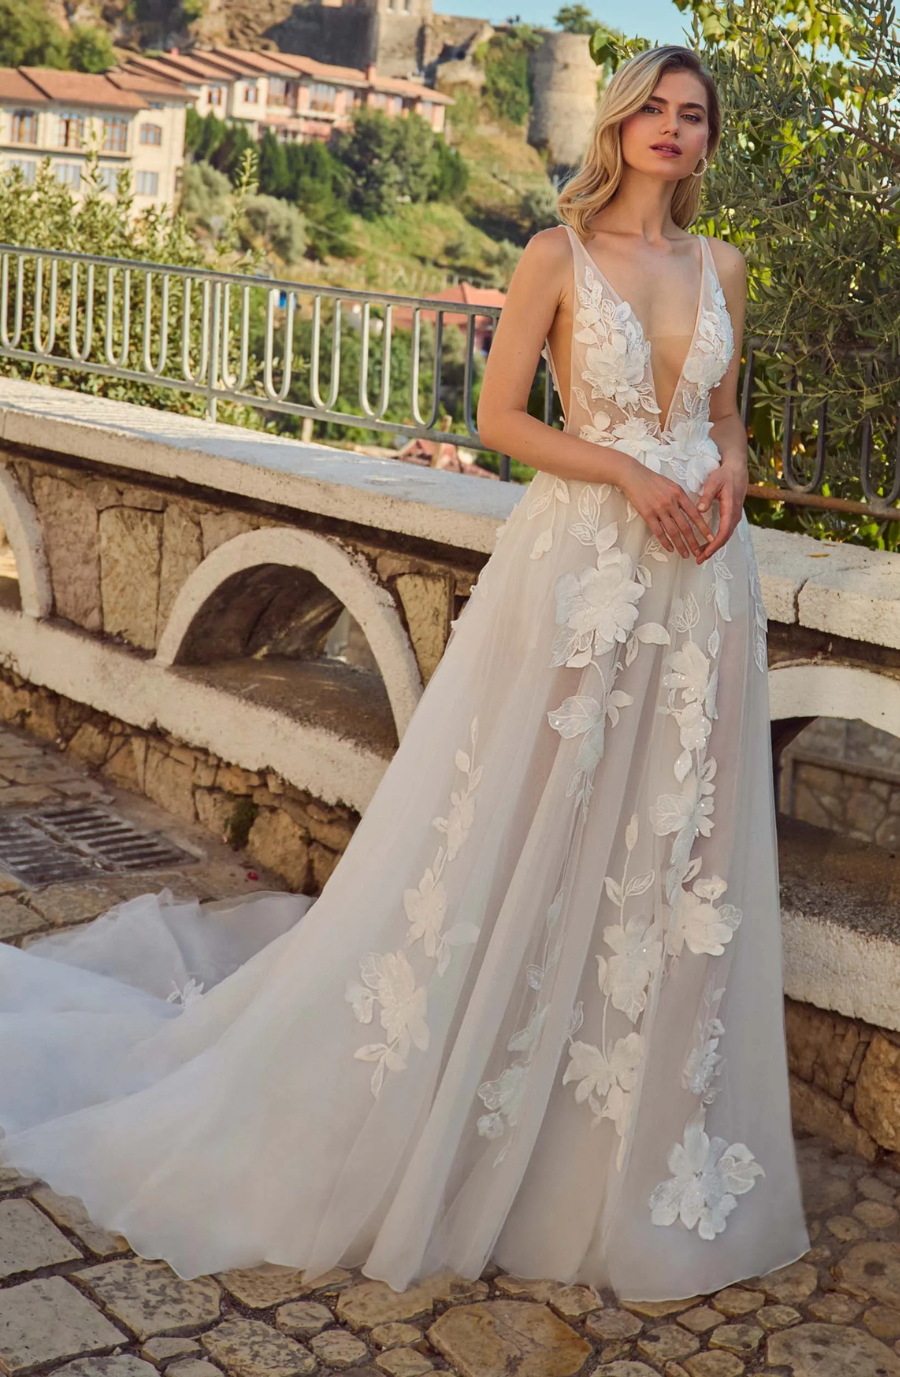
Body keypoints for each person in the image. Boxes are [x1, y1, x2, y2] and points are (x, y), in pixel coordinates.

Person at [0, 44, 810, 1302]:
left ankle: (617, 1143)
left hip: (702, 587)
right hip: (584, 572)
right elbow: (502, 420)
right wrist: (632, 473)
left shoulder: (728, 269)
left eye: (692, 114)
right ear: (619, 123)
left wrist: (725, 480)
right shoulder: (558, 254)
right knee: (527, 823)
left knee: (666, 852)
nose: (669, 125)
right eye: (651, 105)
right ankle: (475, 1095)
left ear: (709, 143)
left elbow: (730, 415)